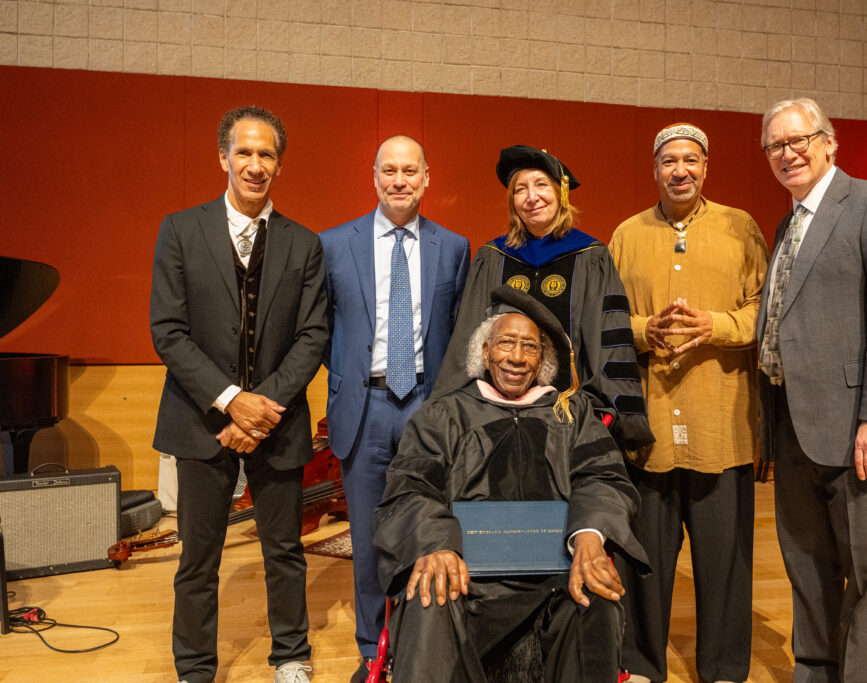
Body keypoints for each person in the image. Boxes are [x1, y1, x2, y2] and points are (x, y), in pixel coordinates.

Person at [374, 285, 649, 683]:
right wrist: (434, 542)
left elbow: (602, 476)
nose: (517, 358)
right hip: (464, 577)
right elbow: (409, 486)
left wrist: (591, 535)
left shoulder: (570, 414)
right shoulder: (444, 414)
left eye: (530, 347)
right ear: (484, 352)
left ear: (543, 360)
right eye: (505, 343)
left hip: (556, 576)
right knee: (428, 591)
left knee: (598, 595)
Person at [150, 106, 327, 683]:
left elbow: (312, 335)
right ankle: (195, 669)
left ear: (279, 164)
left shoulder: (305, 244)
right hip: (200, 420)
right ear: (222, 157)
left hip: (279, 420)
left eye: (266, 155)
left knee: (284, 552)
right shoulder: (180, 229)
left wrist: (260, 408)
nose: (255, 165)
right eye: (244, 153)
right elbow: (168, 331)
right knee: (197, 560)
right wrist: (230, 400)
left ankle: (291, 656)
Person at [757, 98, 867, 681]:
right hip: (793, 426)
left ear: (830, 142)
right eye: (775, 145)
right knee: (807, 563)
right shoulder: (787, 224)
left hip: (859, 428)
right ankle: (815, 667)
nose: (788, 153)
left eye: (799, 139)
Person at [608, 122, 768, 683]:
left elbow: (763, 313)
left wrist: (716, 325)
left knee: (725, 560)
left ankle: (723, 667)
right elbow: (604, 322)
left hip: (719, 423)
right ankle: (642, 664)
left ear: (706, 169)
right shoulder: (626, 235)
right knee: (645, 559)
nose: (681, 170)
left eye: (691, 161)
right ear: (655, 170)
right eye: (670, 161)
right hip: (646, 427)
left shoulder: (740, 228)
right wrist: (643, 328)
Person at [319, 135, 470, 682]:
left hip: (427, 408)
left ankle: (417, 638)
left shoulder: (453, 247)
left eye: (410, 170)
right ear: (374, 176)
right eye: (389, 170)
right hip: (364, 407)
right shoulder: (335, 244)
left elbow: (456, 335)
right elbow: (318, 331)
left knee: (429, 529)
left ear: (428, 178)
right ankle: (371, 649)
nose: (399, 180)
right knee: (366, 539)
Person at [431, 145, 653, 450]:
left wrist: (604, 414)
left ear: (561, 194)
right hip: (496, 416)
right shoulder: (492, 258)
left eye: (541, 185)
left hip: (568, 415)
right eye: (520, 189)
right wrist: (448, 412)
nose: (531, 197)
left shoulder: (591, 257)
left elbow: (607, 343)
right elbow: (467, 341)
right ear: (512, 202)